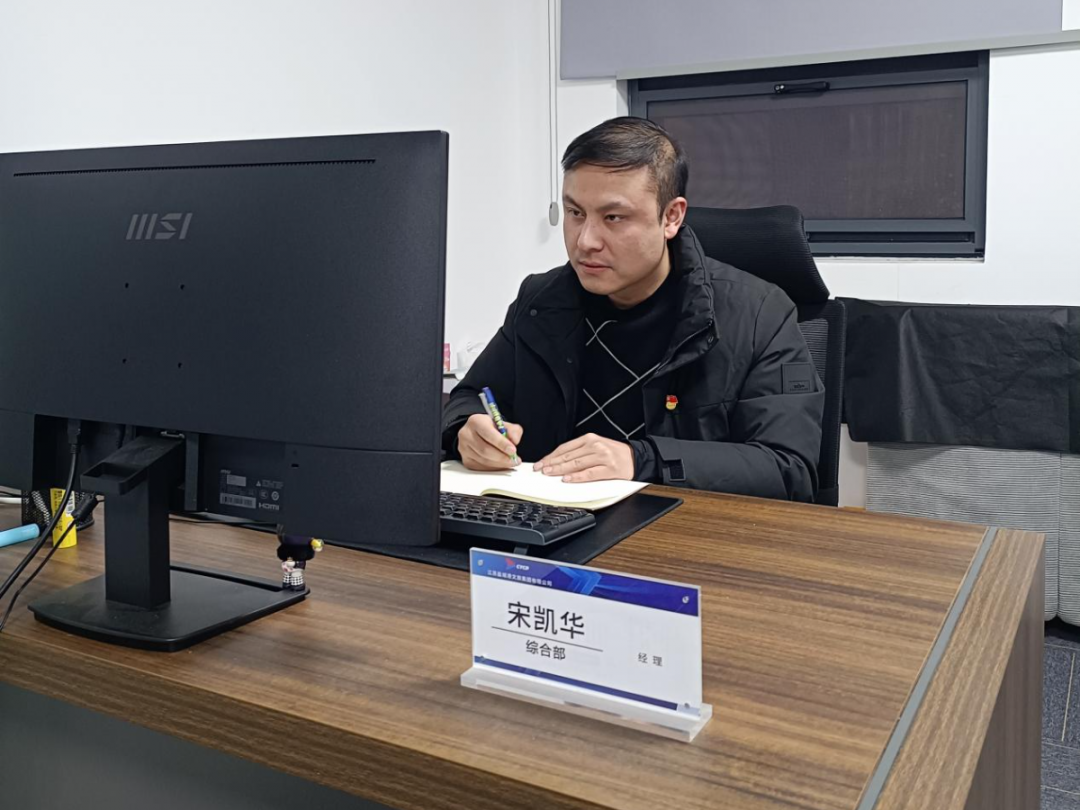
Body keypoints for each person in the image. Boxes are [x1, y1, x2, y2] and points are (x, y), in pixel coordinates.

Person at [442, 117, 823, 501]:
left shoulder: (758, 314)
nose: (585, 241)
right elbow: (472, 395)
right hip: (551, 521)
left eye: (613, 218)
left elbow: (788, 469)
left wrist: (641, 460)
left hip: (681, 528)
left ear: (671, 217)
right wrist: (466, 428)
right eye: (575, 213)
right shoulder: (540, 301)